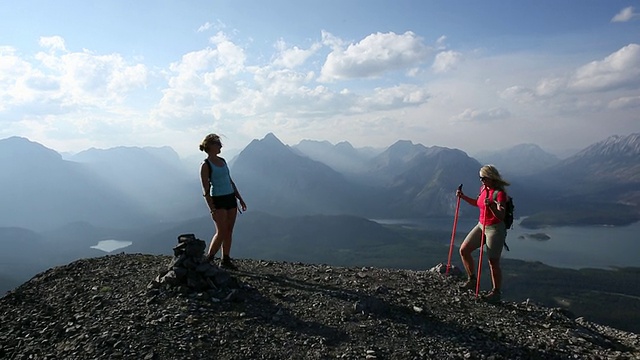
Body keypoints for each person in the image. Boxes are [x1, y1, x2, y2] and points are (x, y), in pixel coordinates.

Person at [456, 164, 510, 303]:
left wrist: (491, 205)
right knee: (464, 250)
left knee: (493, 261)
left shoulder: (499, 194)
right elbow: (478, 203)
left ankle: (496, 292)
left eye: (483, 178)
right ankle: (472, 279)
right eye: (480, 178)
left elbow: (501, 215)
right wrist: (463, 197)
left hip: (495, 229)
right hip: (481, 225)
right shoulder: (483, 189)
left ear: (491, 178)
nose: (481, 181)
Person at [199, 133, 247, 270]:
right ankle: (209, 259)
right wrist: (211, 208)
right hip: (218, 200)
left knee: (229, 231)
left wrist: (239, 198)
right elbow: (205, 189)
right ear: (211, 146)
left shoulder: (223, 161)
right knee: (221, 231)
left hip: (230, 198)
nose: (221, 146)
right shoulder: (205, 165)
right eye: (218, 143)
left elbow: (229, 181)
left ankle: (225, 259)